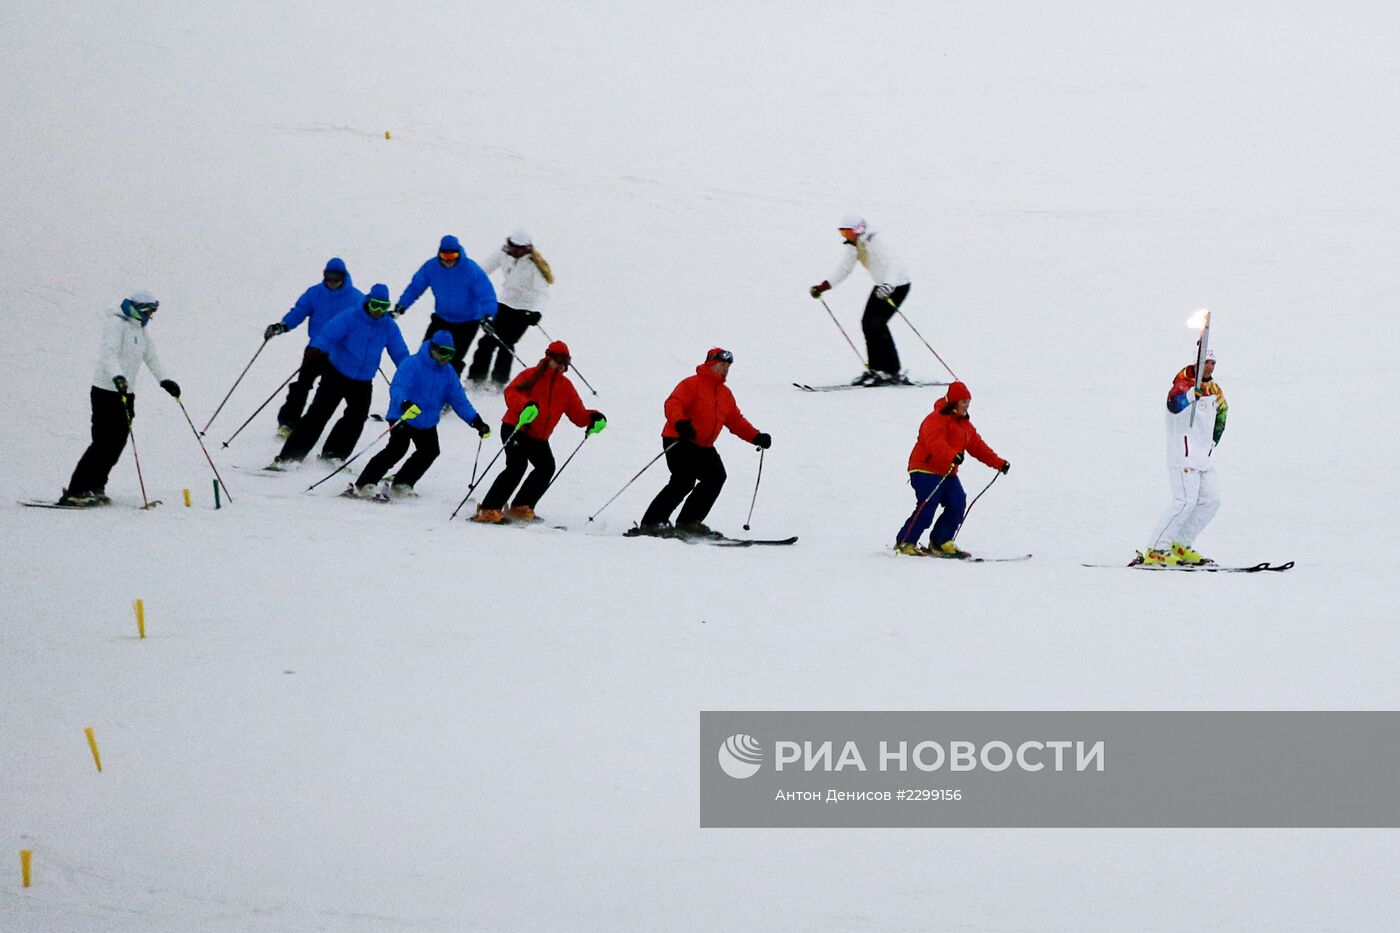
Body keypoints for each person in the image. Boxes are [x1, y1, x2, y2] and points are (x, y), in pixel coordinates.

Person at [61, 290, 181, 505]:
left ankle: (97, 485)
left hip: (127, 394)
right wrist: (117, 376)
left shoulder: (140, 330)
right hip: (106, 391)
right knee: (102, 443)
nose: (151, 316)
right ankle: (76, 490)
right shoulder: (116, 324)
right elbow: (109, 354)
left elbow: (151, 357)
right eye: (149, 311)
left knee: (117, 443)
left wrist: (165, 380)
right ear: (138, 308)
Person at [638, 348, 771, 536]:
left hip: (703, 445)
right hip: (679, 438)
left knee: (716, 477)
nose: (725, 369)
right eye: (721, 365)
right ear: (710, 364)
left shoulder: (725, 394)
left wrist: (756, 437)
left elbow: (735, 421)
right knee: (683, 481)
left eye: (727, 366)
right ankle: (652, 523)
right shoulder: (691, 384)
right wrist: (680, 423)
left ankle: (688, 522)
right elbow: (673, 404)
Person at [273, 284, 409, 467]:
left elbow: (399, 352)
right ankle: (290, 456)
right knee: (319, 413)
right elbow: (329, 334)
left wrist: (409, 371)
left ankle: (334, 454)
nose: (378, 310)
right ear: (368, 301)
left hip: (363, 380)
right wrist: (317, 348)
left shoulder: (388, 327)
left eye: (383, 307)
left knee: (357, 417)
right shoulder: (351, 317)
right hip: (337, 373)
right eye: (375, 305)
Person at [471, 341, 605, 524]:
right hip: (516, 427)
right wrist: (526, 405)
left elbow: (578, 415)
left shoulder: (565, 386)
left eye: (566, 361)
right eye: (559, 360)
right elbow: (511, 393)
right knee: (517, 466)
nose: (562, 365)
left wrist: (593, 417)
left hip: (539, 437)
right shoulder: (530, 375)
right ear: (549, 358)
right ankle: (488, 509)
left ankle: (521, 507)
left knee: (546, 467)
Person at [348, 331, 492, 499]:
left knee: (430, 451)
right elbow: (398, 387)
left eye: (450, 354)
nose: (446, 357)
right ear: (433, 349)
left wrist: (475, 420)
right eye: (443, 352)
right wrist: (405, 403)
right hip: (404, 414)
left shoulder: (448, 373)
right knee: (397, 449)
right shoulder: (412, 364)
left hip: (426, 421)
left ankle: (403, 482)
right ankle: (364, 483)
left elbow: (459, 400)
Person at [894, 381, 1009, 557]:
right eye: (963, 402)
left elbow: (979, 447)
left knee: (957, 502)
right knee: (928, 505)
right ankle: (905, 541)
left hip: (947, 473)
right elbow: (935, 443)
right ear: (954, 401)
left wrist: (999, 463)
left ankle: (941, 541)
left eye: (968, 403)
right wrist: (952, 455)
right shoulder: (935, 419)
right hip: (925, 469)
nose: (966, 406)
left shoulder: (965, 426)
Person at [1138, 349, 1228, 566]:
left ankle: (1180, 543)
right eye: (1206, 362)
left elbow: (1222, 415)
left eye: (1213, 363)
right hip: (1183, 455)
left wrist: (1213, 441)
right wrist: (1190, 395)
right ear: (1197, 362)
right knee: (1185, 502)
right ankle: (1156, 549)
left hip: (1204, 458)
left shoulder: (1215, 390)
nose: (1210, 367)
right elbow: (1174, 405)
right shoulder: (1181, 385)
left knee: (1211, 501)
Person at [264, 257, 365, 437]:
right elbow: (299, 312)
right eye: (329, 276)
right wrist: (283, 326)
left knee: (325, 394)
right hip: (315, 350)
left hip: (339, 355)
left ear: (344, 276)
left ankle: (308, 428)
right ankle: (288, 422)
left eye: (337, 277)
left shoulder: (356, 298)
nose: (332, 281)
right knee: (301, 386)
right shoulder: (315, 293)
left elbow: (366, 321)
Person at [808, 214, 913, 386]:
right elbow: (844, 269)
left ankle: (892, 371)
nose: (847, 238)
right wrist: (823, 287)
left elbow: (893, 264)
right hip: (881, 287)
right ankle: (876, 370)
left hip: (897, 285)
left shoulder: (876, 241)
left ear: (859, 230)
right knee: (867, 323)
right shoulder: (854, 246)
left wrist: (888, 286)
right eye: (843, 234)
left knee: (877, 323)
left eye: (848, 233)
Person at [393, 234, 497, 376]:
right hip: (441, 318)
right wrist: (402, 305)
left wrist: (488, 315)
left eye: (453, 255)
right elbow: (415, 287)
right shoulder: (431, 267)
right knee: (427, 353)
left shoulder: (471, 270)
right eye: (445, 255)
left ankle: (448, 393)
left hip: (467, 322)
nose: (449, 260)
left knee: (452, 359)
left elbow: (487, 294)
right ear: (439, 253)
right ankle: (420, 386)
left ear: (458, 253)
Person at [467, 229, 553, 388]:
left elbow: (543, 293)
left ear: (524, 249)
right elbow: (485, 268)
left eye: (514, 247)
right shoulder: (504, 253)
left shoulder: (534, 266)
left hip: (525, 310)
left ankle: (498, 382)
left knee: (506, 343)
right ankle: (476, 379)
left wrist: (537, 313)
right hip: (504, 304)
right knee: (487, 341)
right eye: (509, 245)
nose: (510, 248)